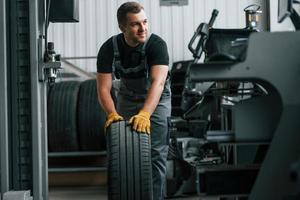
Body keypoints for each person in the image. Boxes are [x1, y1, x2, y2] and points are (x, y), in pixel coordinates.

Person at [96, 1, 171, 199]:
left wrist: (145, 114)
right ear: (122, 27)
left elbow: (158, 83)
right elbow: (103, 88)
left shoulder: (157, 45)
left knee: (155, 154)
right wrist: (112, 114)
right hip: (127, 97)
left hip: (157, 99)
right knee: (120, 152)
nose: (143, 28)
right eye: (135, 24)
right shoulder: (108, 49)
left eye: (145, 22)